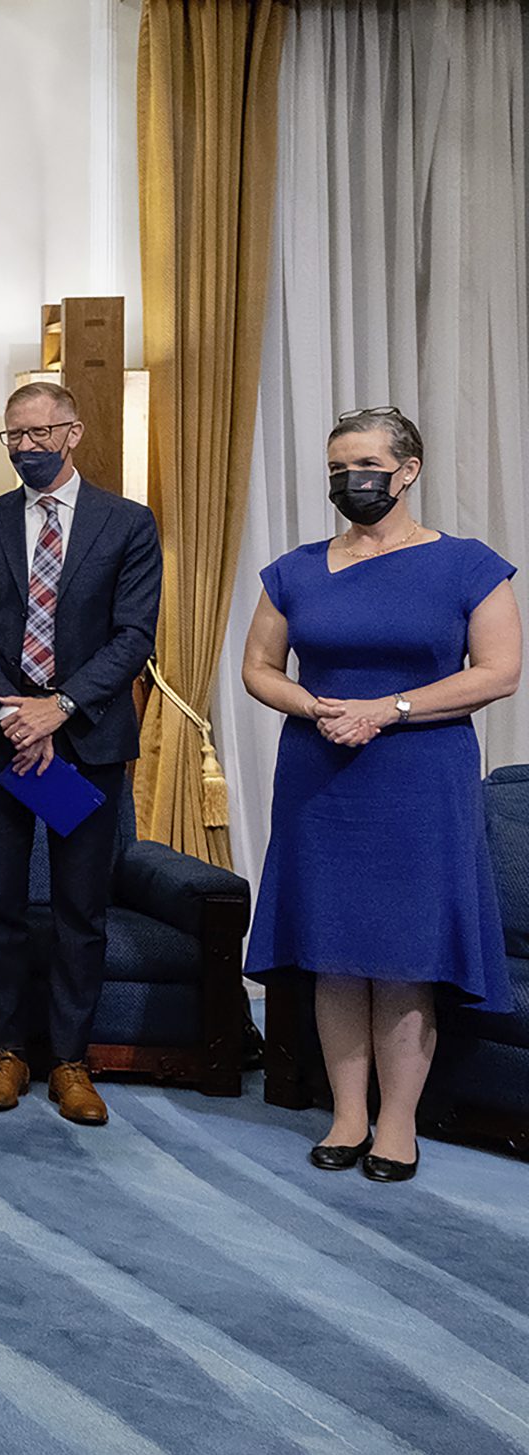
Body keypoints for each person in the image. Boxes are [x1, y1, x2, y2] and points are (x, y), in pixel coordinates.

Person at [241, 406, 520, 1183]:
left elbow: (497, 671)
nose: (348, 482)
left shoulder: (469, 563)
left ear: (408, 470)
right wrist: (317, 707)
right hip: (320, 769)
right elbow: (259, 667)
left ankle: (398, 1125)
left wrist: (388, 709)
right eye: (336, 469)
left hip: (421, 774)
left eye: (362, 466)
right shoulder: (294, 568)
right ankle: (348, 1114)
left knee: (402, 954)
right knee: (334, 952)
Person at [0, 380, 162, 1127]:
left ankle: (71, 1059)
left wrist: (58, 710)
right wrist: (18, 716)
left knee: (79, 906)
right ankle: (5, 1051)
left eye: (41, 433)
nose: (28, 448)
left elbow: (133, 636)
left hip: (85, 743)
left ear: (74, 431)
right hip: (1, 742)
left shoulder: (127, 524)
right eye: (15, 437)